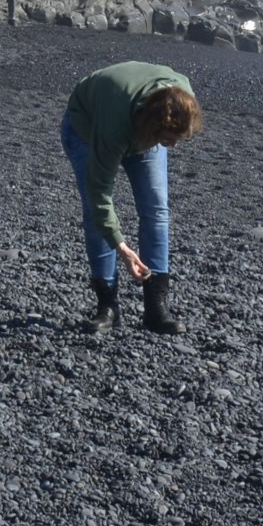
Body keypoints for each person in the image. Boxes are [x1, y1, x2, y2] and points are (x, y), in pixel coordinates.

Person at [62, 62, 200, 335]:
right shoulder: (114, 126)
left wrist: (165, 138)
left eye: (179, 139)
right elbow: (100, 195)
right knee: (94, 213)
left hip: (142, 120)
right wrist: (122, 248)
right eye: (170, 139)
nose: (174, 146)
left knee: (156, 211)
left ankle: (156, 308)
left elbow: (167, 134)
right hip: (87, 127)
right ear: (154, 128)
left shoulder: (182, 101)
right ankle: (107, 306)